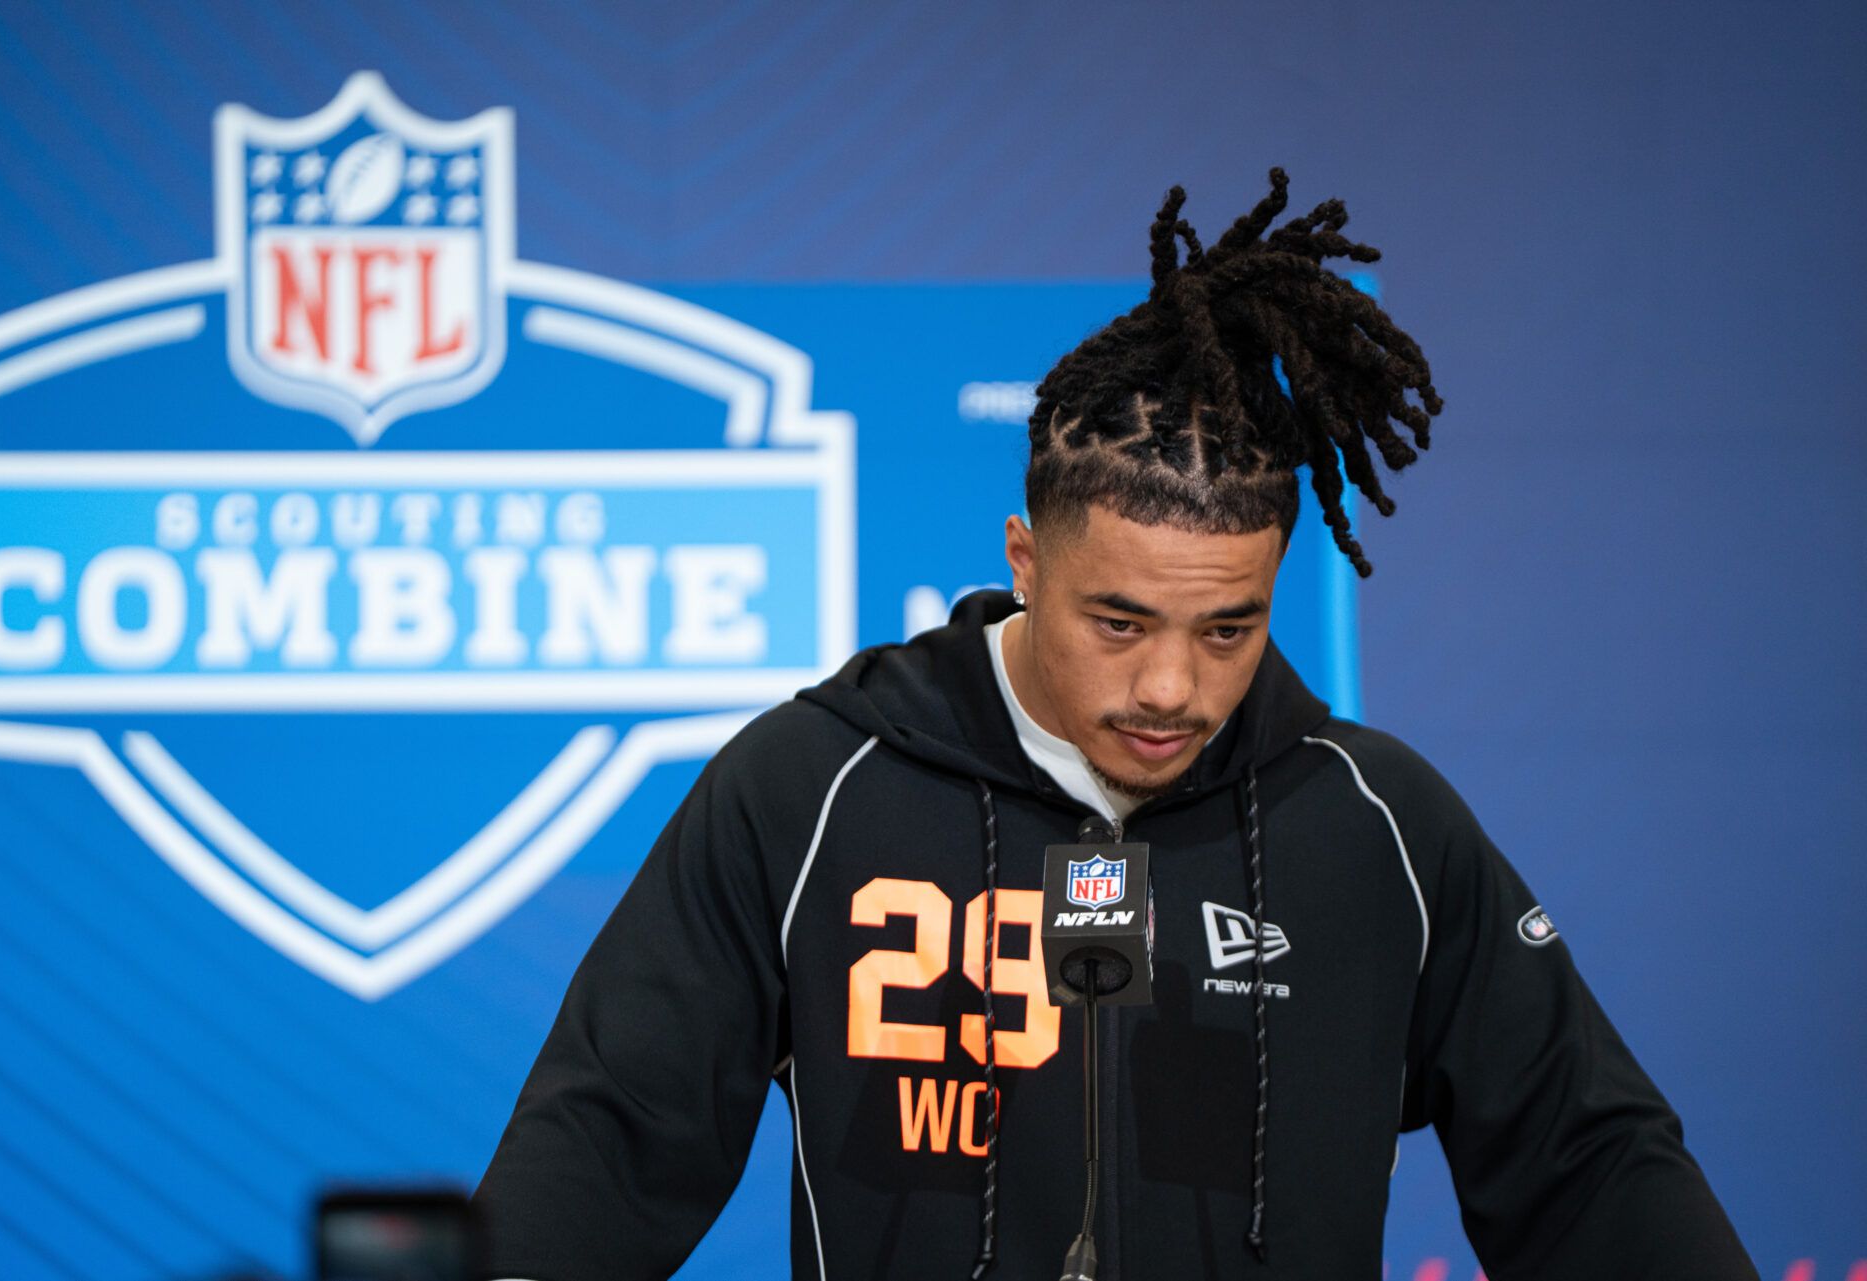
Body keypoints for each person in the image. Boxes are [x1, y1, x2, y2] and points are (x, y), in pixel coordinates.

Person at [472, 169, 1758, 1280]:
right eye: (1122, 623)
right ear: (1027, 560)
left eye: (1227, 630)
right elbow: (611, 1129)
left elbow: (1585, 1156)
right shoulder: (812, 783)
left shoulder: (1378, 826)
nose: (1173, 692)